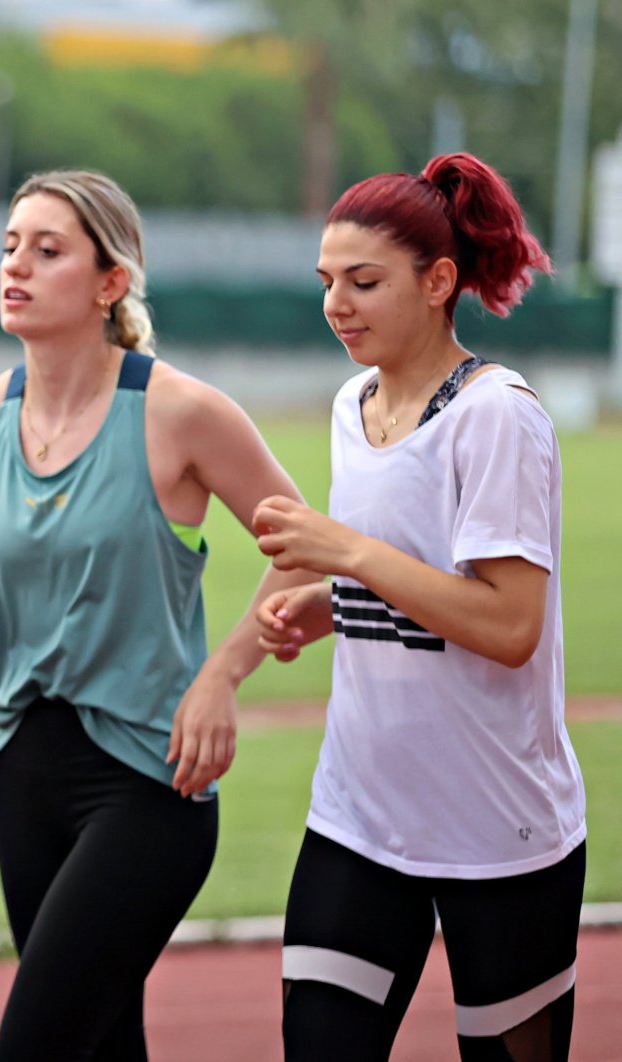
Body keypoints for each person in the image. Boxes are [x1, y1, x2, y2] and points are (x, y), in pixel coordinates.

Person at [0, 169, 321, 1060]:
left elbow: (314, 550)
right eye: (11, 245)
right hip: (23, 770)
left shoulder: (182, 412)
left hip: (150, 778)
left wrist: (224, 674)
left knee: (35, 1044)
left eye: (47, 250)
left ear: (110, 283)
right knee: (100, 1045)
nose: (15, 266)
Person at [253, 153, 586, 1061]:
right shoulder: (349, 404)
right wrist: (330, 604)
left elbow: (510, 628)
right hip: (359, 817)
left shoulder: (497, 415)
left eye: (364, 282)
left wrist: (347, 553)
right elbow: (410, 581)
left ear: (440, 282)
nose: (337, 305)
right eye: (327, 282)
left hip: (496, 831)